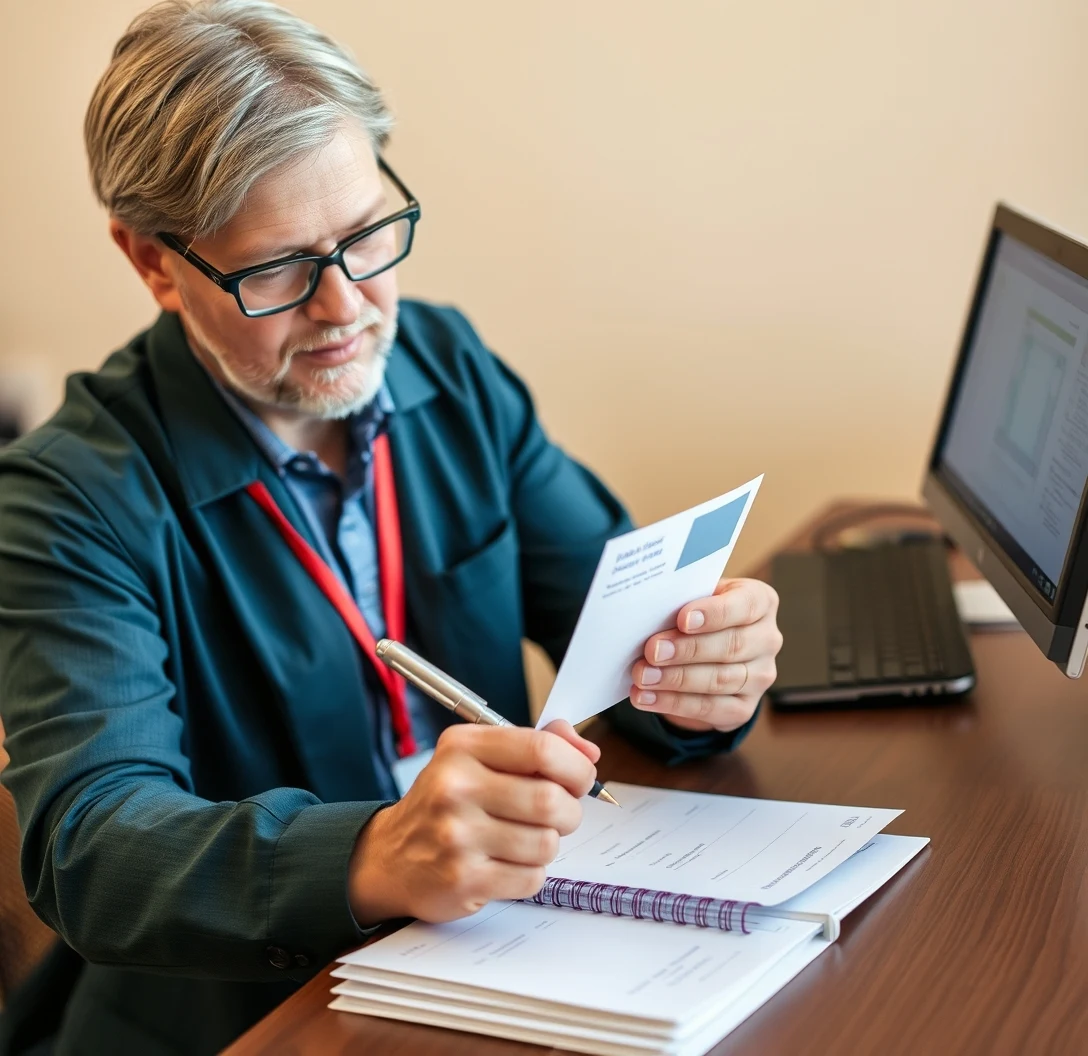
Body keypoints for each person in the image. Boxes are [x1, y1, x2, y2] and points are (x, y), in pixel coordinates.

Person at [0, 2, 782, 1053]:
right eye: (276, 268)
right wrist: (374, 853)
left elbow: (626, 632)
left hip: (502, 964)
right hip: (244, 1018)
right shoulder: (63, 497)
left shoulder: (447, 367)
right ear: (152, 263)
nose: (346, 307)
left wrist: (701, 679)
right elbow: (91, 849)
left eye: (368, 235)